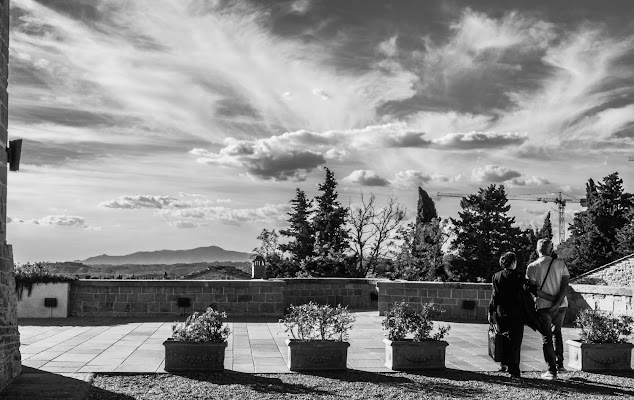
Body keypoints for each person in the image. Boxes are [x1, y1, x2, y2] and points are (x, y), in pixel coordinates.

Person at [526, 238, 570, 380]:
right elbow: (565, 286)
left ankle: (551, 371)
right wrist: (557, 302)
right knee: (557, 332)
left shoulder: (532, 267)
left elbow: (533, 290)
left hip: (543, 306)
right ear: (551, 250)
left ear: (537, 250)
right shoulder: (560, 264)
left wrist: (550, 300)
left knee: (547, 338)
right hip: (561, 306)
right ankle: (560, 365)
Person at [488, 252, 525, 378]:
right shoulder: (520, 276)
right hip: (517, 313)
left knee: (503, 339)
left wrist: (491, 311)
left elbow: (494, 296)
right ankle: (514, 369)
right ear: (513, 262)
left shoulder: (496, 277)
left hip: (501, 312)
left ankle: (504, 364)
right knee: (515, 342)